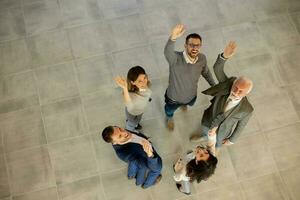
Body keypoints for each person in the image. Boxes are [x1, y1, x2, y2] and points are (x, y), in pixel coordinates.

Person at [190, 41, 254, 150]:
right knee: (206, 131)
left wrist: (232, 140)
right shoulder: (227, 84)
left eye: (241, 91)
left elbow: (241, 126)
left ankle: (215, 149)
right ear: (233, 83)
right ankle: (205, 136)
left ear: (246, 93)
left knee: (217, 146)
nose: (236, 92)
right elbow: (217, 69)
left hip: (222, 133)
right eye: (236, 88)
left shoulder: (247, 110)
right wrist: (224, 57)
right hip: (209, 120)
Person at [164, 24, 216, 130]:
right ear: (185, 46)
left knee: (189, 103)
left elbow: (206, 73)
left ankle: (184, 105)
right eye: (191, 45)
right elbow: (167, 52)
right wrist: (172, 38)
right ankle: (169, 118)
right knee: (169, 110)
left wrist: (214, 86)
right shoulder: (175, 59)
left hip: (191, 96)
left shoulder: (202, 58)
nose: (195, 48)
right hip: (173, 98)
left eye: (198, 45)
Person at [115, 66, 152, 133]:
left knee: (137, 120)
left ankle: (136, 124)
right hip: (132, 113)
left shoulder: (142, 87)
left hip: (140, 110)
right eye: (139, 81)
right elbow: (128, 103)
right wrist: (125, 88)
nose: (144, 82)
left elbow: (145, 91)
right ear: (133, 82)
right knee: (131, 124)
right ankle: (130, 130)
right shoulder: (131, 95)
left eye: (144, 78)